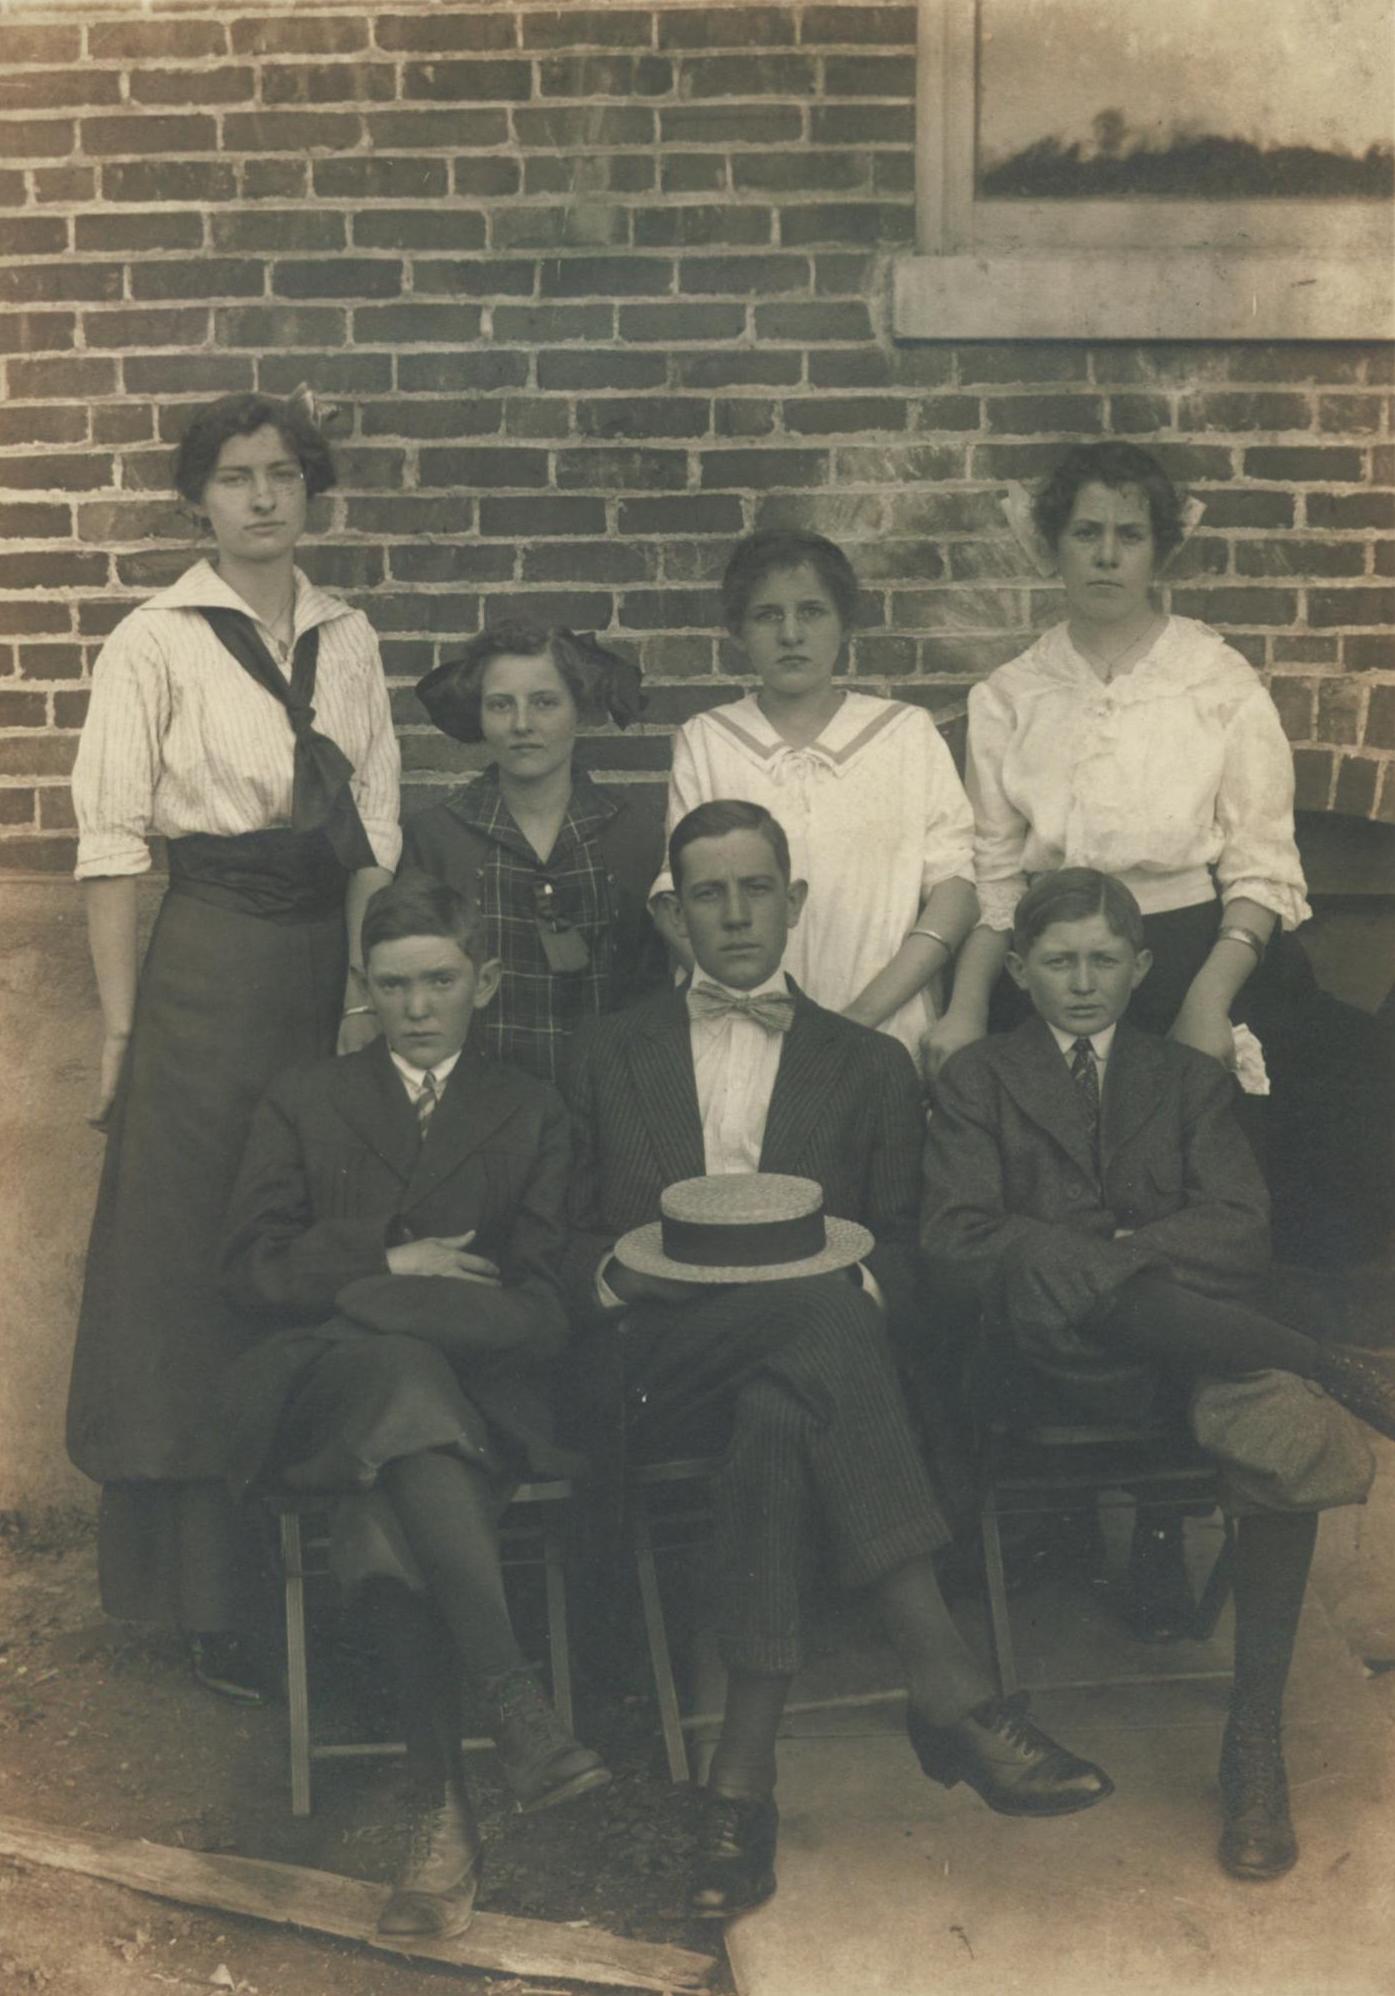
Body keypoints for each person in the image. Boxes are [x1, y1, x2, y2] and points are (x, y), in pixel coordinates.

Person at [563, 800, 1111, 1921]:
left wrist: (846, 1292)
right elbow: (556, 1235)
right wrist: (620, 1275)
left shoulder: (867, 1065)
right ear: (672, 915)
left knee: (788, 1394)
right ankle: (949, 1687)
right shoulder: (603, 1055)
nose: (734, 913)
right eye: (707, 893)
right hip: (657, 1364)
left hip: (804, 1386)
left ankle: (738, 1790)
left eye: (755, 888)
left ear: (795, 900)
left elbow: (909, 1249)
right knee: (816, 1330)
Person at [921, 869, 1390, 1882]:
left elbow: (1240, 1231)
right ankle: (1329, 1361)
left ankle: (1252, 1743)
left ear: (1139, 968)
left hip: (1185, 1356)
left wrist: (1097, 1256)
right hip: (1040, 1361)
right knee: (1082, 1286)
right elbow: (956, 1243)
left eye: (1103, 959)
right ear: (1018, 970)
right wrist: (1112, 1257)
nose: (1083, 981)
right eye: (1059, 961)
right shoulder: (977, 1080)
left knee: (1288, 1429)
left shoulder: (1185, 1079)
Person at [66, 390, 400, 1700]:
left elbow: (374, 835)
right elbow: (111, 848)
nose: (263, 497)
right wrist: (121, 1028)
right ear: (196, 500)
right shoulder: (152, 642)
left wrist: (363, 992)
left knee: (315, 1229)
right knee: (200, 1256)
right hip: (207, 972)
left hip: (325, 970)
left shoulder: (349, 638)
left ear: (311, 491)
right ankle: (212, 1601)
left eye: (284, 475)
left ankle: (340, 1572)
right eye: (236, 477)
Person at [218, 873, 609, 1941]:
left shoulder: (531, 1108)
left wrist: (390, 1309)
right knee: (392, 1375)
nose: (417, 1007)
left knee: (391, 1490)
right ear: (366, 986)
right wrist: (387, 1264)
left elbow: (544, 1302)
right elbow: (248, 1269)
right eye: (393, 986)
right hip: (321, 1390)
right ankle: (515, 1704)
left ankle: (443, 1816)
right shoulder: (307, 1097)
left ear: (484, 980)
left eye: (438, 981)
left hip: (474, 1401)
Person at [649, 530, 977, 1072]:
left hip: (883, 1032)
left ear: (844, 623)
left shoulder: (905, 733)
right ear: (739, 632)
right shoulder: (708, 740)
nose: (791, 634)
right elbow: (676, 901)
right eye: (767, 616)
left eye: (812, 611)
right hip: (749, 1031)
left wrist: (856, 1021)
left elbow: (955, 892)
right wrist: (769, 1010)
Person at [402, 623, 665, 1081]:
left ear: (579, 709)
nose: (522, 724)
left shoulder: (632, 835)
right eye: (501, 705)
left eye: (545, 702)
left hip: (609, 1094)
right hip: (477, 1097)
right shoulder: (436, 838)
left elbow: (651, 992)